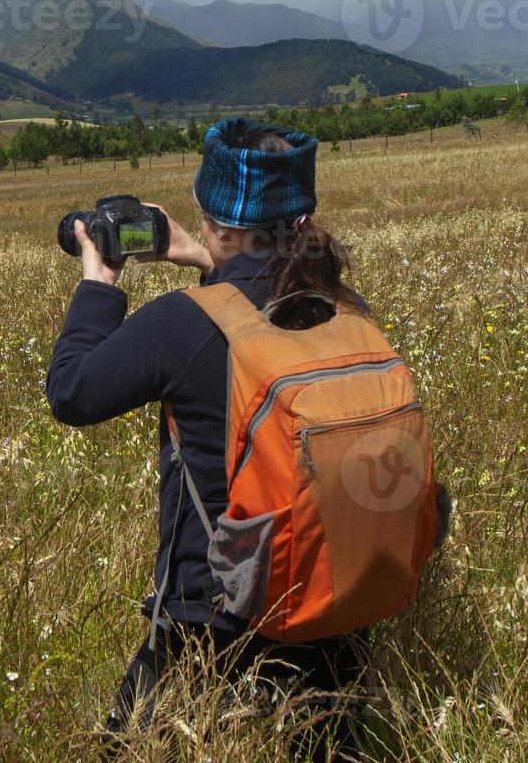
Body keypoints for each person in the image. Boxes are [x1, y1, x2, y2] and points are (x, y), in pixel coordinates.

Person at [47, 119, 401, 759]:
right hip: (334, 604)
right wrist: (212, 255)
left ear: (221, 223)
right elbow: (262, 291)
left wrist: (98, 288)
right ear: (301, 217)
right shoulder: (345, 307)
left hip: (213, 623)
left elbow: (72, 393)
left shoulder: (182, 324)